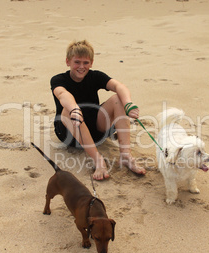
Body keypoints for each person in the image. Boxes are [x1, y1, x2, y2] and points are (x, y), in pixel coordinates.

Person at [50, 40, 146, 180]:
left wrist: (128, 104)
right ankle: (98, 160)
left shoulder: (95, 76)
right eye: (77, 62)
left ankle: (126, 155)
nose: (81, 67)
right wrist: (74, 108)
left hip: (96, 130)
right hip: (71, 134)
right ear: (68, 61)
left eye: (86, 63)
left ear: (91, 62)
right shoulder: (58, 79)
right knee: (67, 111)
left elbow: (119, 86)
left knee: (118, 98)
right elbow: (62, 94)